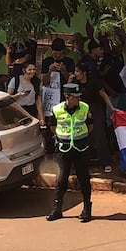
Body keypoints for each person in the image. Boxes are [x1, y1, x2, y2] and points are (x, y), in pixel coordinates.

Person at [46, 83, 94, 223]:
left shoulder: (85, 107)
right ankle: (57, 209)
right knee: (61, 180)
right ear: (67, 97)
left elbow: (90, 126)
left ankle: (86, 209)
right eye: (76, 96)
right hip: (63, 149)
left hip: (81, 149)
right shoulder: (57, 109)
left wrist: (79, 138)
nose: (79, 99)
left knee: (84, 178)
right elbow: (53, 127)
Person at [70, 64, 117, 173]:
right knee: (82, 134)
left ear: (84, 73)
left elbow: (103, 94)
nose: (75, 74)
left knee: (99, 135)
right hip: (82, 109)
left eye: (77, 72)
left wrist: (111, 107)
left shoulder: (94, 82)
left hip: (96, 108)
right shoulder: (75, 84)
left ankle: (105, 162)